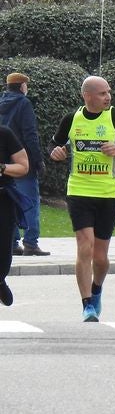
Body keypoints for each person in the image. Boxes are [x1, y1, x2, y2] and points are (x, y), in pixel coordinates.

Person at [48, 76, 115, 322]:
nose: (108, 97)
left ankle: (97, 288)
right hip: (79, 190)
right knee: (84, 245)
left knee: (100, 256)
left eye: (108, 92)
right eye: (102, 93)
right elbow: (55, 145)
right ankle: (87, 304)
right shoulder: (71, 119)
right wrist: (56, 152)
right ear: (87, 96)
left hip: (108, 192)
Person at [0, 73, 48, 256]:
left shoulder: (1, 103)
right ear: (22, 87)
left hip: (5, 163)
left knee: (11, 202)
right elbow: (30, 134)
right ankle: (31, 242)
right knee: (30, 202)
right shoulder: (23, 103)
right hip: (22, 161)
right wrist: (37, 160)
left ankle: (12, 242)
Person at [0, 123, 31, 305]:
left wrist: (2, 168)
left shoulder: (4, 133)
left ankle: (0, 278)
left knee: (3, 251)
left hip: (3, 199)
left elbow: (23, 166)